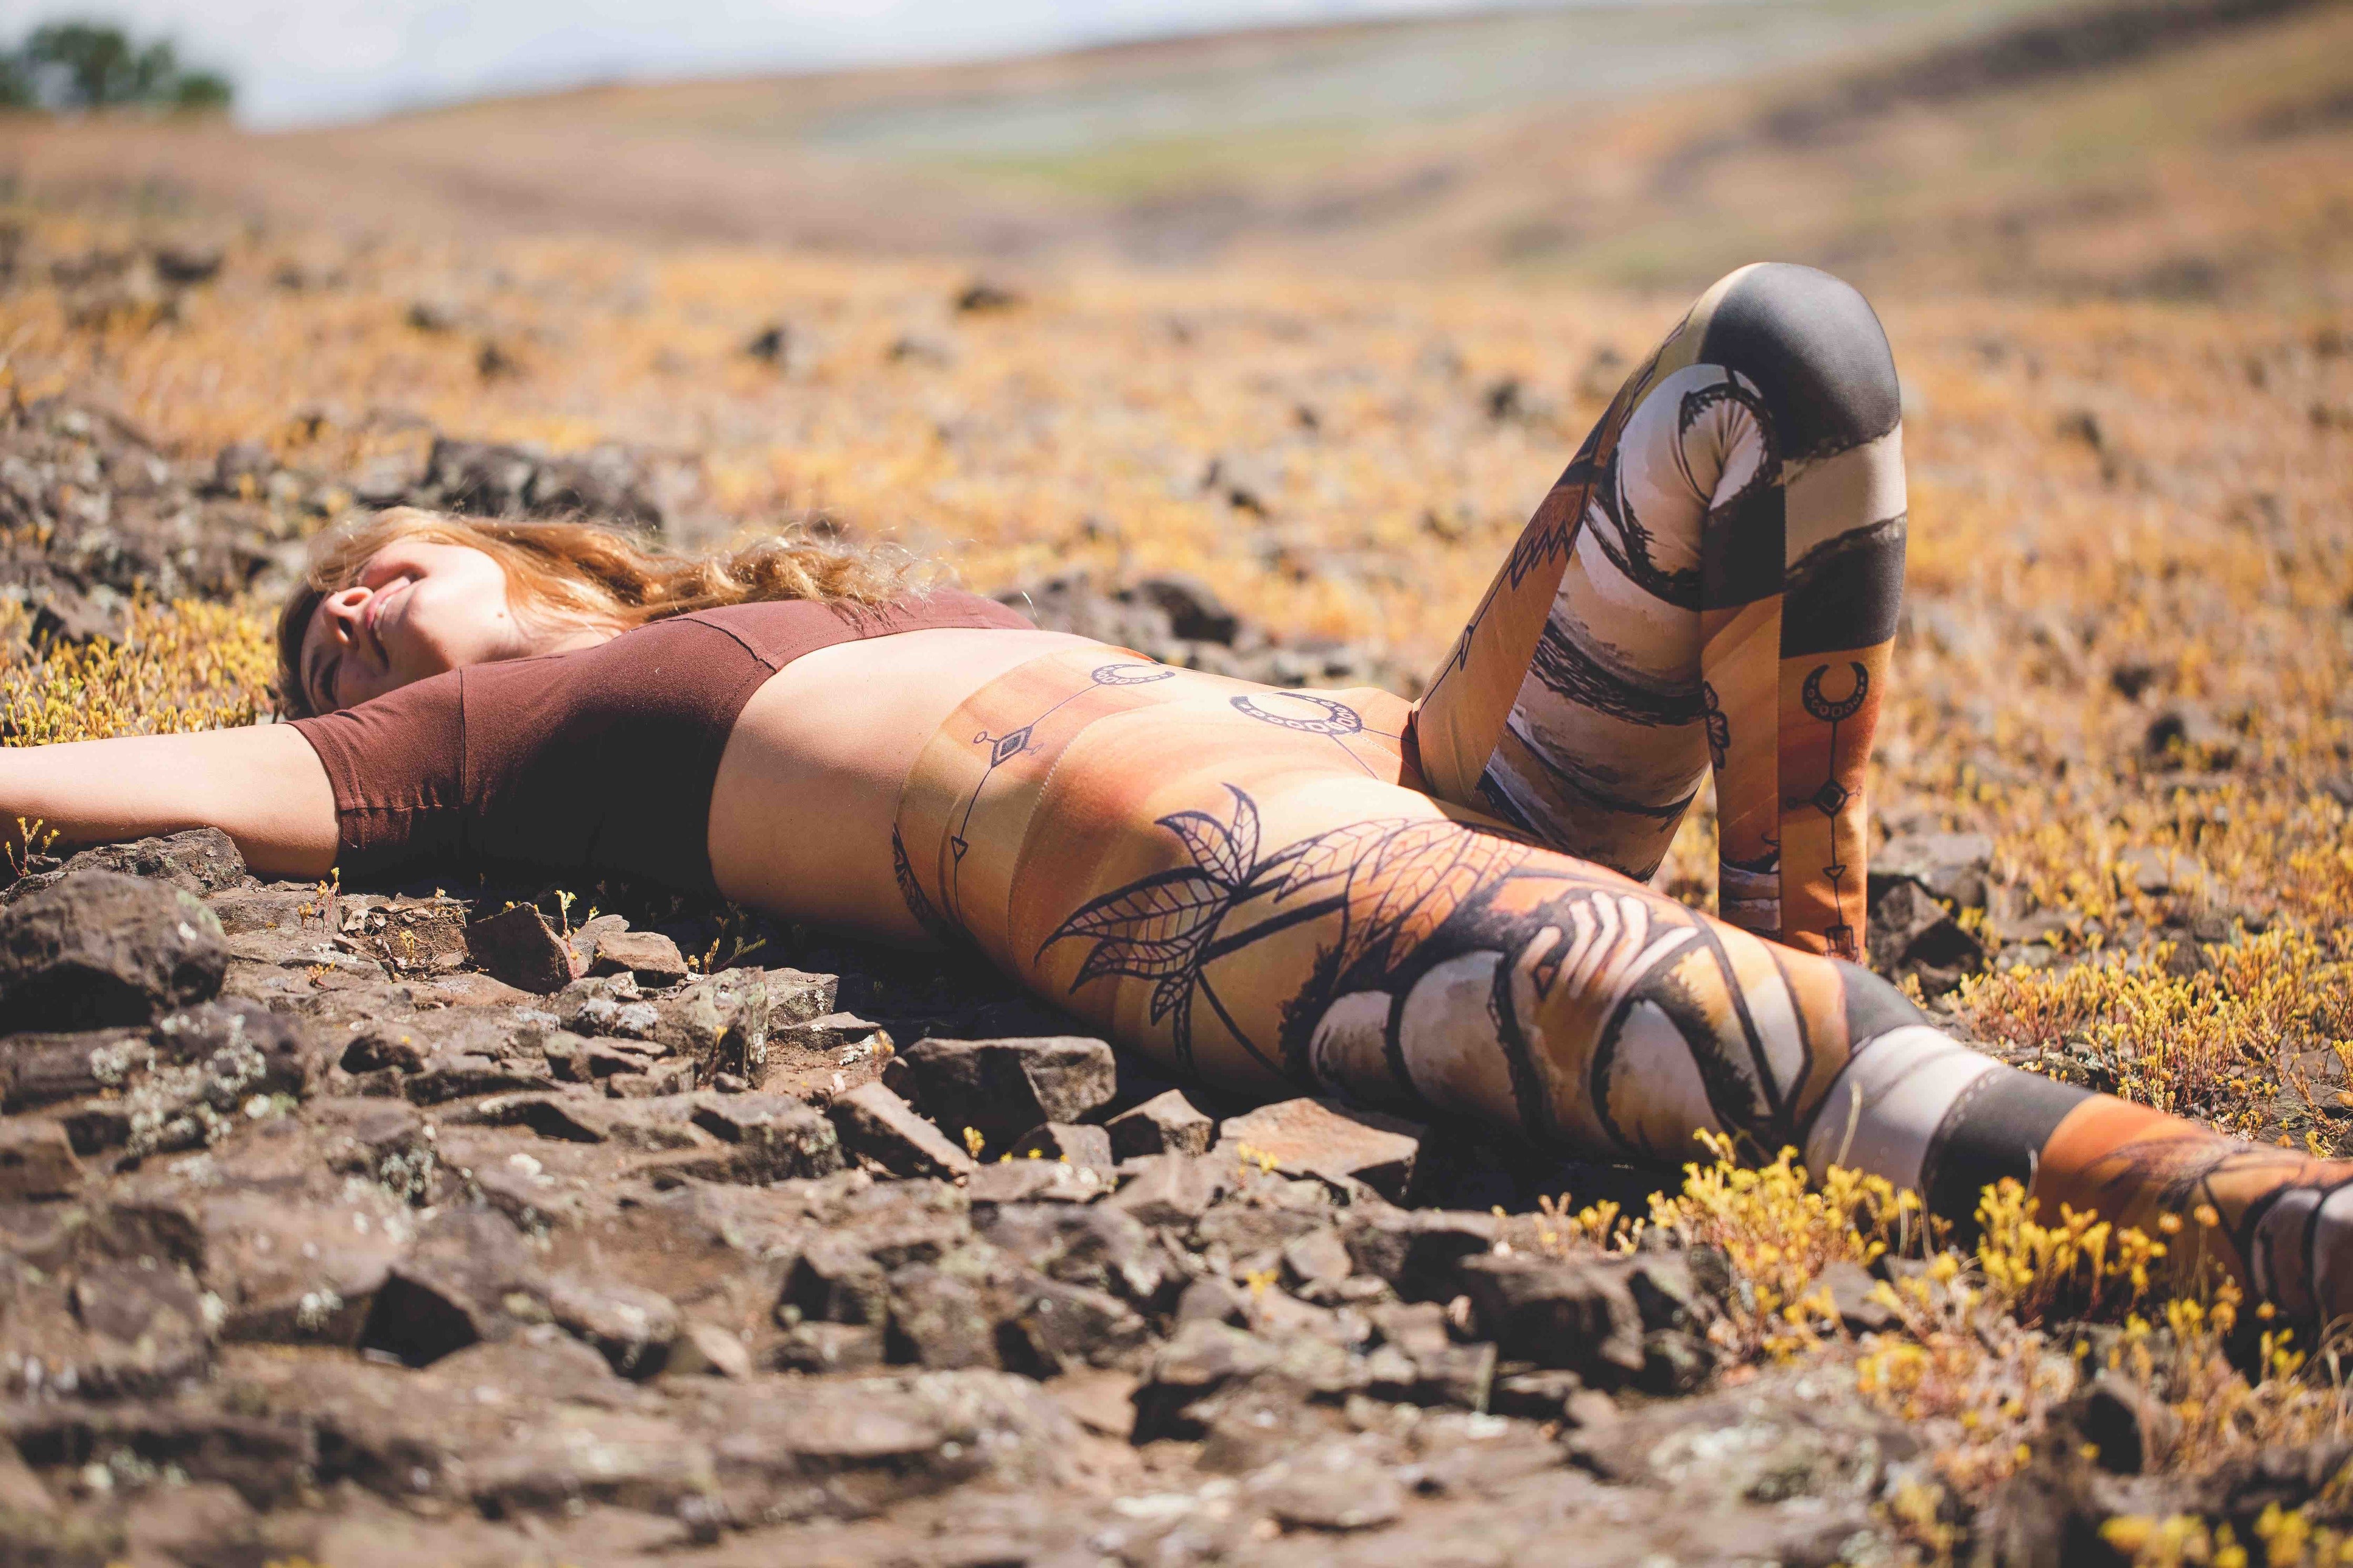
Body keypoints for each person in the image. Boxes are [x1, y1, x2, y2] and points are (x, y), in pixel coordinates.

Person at [7, 262, 2348, 1324]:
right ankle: (2261, 1217)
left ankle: (1811, 970)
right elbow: (198, 773)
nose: (338, 617)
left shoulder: (781, 599)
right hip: (1208, 876)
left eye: (366, 570)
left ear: (519, 549)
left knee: (1776, 359)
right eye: (315, 637)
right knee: (1725, 1039)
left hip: (1416, 767)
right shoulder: (474, 746)